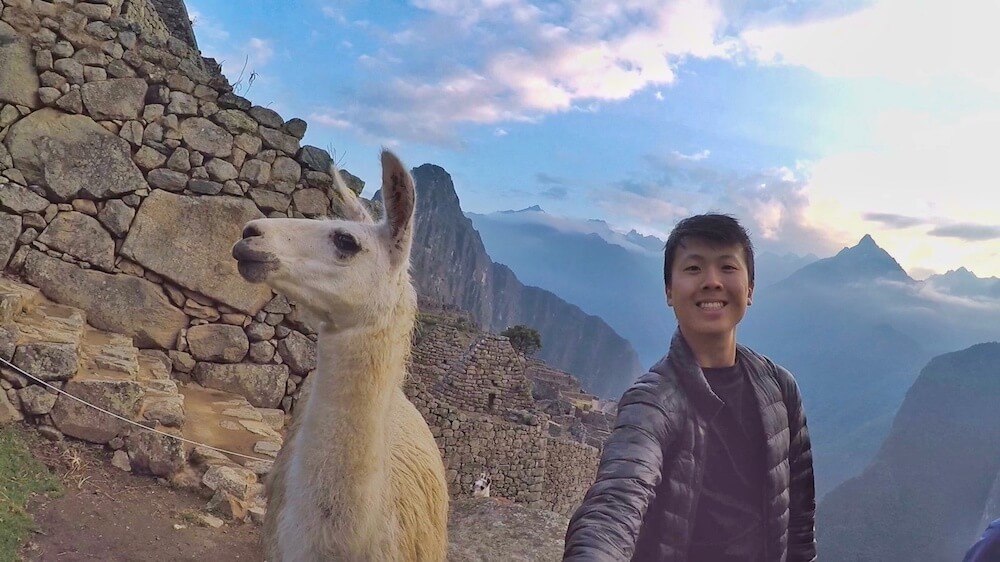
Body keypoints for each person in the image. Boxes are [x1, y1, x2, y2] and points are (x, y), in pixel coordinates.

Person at [563, 214, 816, 561]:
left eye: (728, 267)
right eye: (694, 269)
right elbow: (615, 503)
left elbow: (800, 524)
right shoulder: (652, 402)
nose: (712, 282)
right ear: (669, 290)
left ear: (751, 289)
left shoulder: (781, 390)